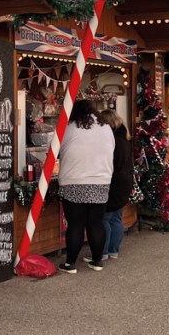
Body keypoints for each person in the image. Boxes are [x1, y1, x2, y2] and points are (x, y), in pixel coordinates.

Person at [56, 99, 114, 273]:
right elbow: (111, 149)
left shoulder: (68, 127)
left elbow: (55, 150)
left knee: (76, 224)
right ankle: (97, 261)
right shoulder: (106, 128)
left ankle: (70, 264)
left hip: (73, 181)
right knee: (96, 223)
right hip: (101, 181)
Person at [97, 109, 131, 260]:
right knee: (116, 218)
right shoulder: (124, 137)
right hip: (124, 182)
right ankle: (113, 250)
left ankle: (102, 252)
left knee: (104, 218)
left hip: (112, 182)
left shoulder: (110, 140)